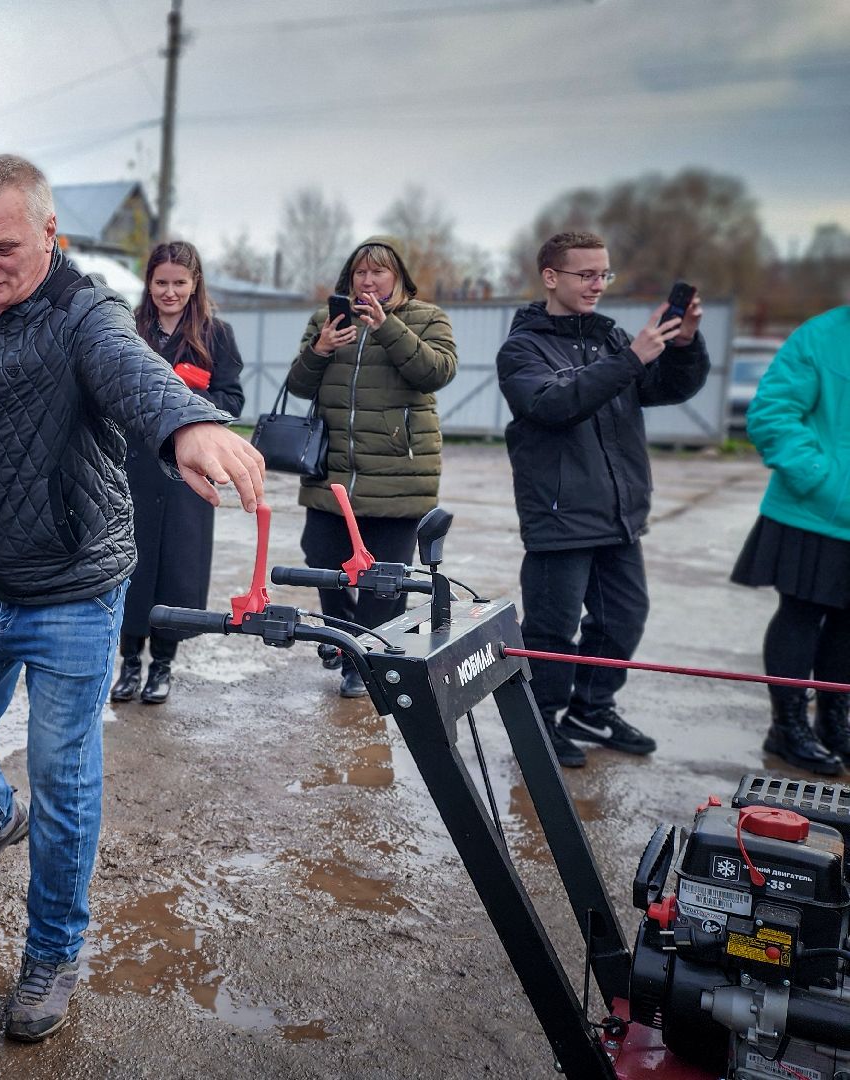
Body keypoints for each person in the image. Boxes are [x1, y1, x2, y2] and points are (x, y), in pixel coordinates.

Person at [0, 154, 265, 1042]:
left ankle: (54, 950)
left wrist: (187, 421)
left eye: (3, 247)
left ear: (50, 235)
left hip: (73, 593)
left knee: (65, 780)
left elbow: (130, 367)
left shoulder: (87, 313)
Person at [498, 231, 709, 768]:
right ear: (551, 277)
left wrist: (683, 345)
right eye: (586, 274)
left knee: (623, 620)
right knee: (550, 631)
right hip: (560, 514)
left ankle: (592, 708)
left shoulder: (611, 338)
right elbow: (552, 404)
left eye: (604, 274)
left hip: (619, 514)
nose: (597, 284)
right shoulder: (523, 348)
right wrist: (632, 358)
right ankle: (539, 724)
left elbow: (670, 388)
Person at [286, 236, 457, 698]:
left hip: (398, 472)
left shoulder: (427, 318)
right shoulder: (327, 318)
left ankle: (365, 661)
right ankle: (343, 639)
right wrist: (319, 349)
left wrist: (386, 328)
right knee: (322, 556)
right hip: (332, 469)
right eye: (360, 272)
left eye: (378, 271)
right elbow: (298, 387)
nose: (368, 280)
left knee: (384, 576)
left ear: (397, 276)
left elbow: (437, 371)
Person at [113, 240, 245, 705]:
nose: (169, 292)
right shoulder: (127, 328)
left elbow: (232, 401)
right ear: (149, 283)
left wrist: (191, 399)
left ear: (195, 284)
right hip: (131, 467)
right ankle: (128, 664)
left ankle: (162, 665)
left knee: (176, 570)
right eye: (161, 282)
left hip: (188, 473)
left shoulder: (216, 334)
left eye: (179, 283)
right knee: (129, 565)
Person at [730, 303, 850, 774]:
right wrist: (824, 480)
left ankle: (835, 722)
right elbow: (771, 414)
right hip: (812, 510)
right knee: (800, 616)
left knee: (848, 624)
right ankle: (788, 727)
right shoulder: (820, 335)